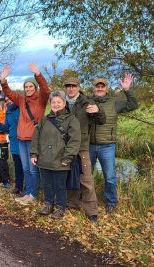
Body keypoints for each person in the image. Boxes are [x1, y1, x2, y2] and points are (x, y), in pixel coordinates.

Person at [0, 63, 51, 205]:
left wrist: (38, 75)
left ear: (35, 87)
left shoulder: (41, 100)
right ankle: (28, 193)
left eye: (31, 86)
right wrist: (3, 80)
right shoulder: (21, 100)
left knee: (34, 170)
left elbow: (46, 90)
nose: (28, 89)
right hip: (21, 140)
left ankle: (33, 195)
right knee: (26, 168)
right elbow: (9, 93)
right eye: (26, 87)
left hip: (34, 140)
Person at [89, 74, 138, 213]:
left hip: (107, 146)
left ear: (106, 88)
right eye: (97, 86)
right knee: (86, 175)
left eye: (102, 86)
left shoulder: (114, 102)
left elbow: (133, 104)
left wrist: (127, 90)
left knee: (109, 176)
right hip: (89, 145)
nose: (99, 88)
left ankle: (111, 202)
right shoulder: (88, 101)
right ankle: (86, 198)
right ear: (94, 88)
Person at [30, 91, 81, 219]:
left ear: (64, 103)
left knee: (60, 186)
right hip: (44, 159)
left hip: (60, 160)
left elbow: (74, 141)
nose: (56, 104)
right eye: (53, 102)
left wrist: (67, 158)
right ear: (50, 103)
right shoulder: (45, 119)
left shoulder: (71, 120)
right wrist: (34, 154)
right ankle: (48, 204)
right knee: (47, 184)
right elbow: (36, 137)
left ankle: (60, 207)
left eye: (59, 102)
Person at [63, 77, 106, 221]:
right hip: (65, 147)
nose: (71, 88)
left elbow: (101, 120)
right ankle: (72, 203)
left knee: (86, 179)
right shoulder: (62, 103)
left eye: (73, 86)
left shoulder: (86, 102)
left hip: (82, 147)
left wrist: (98, 110)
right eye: (68, 86)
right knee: (69, 176)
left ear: (78, 87)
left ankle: (91, 211)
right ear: (65, 88)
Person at [0, 97, 24, 195]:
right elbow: (7, 128)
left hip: (24, 142)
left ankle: (29, 189)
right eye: (6, 100)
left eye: (10, 99)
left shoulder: (22, 109)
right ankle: (18, 186)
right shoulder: (8, 112)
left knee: (27, 168)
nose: (8, 101)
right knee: (17, 166)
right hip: (14, 143)